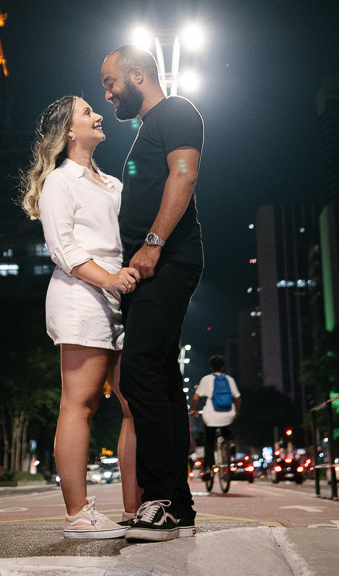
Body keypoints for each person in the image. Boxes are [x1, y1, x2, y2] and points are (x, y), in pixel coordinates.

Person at [21, 94, 142, 539]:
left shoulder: (111, 183)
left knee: (135, 402)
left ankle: (137, 509)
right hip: (81, 295)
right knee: (80, 403)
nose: (97, 115)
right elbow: (64, 248)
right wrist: (109, 279)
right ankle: (77, 515)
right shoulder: (60, 182)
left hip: (117, 298)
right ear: (70, 131)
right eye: (87, 112)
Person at [101, 45, 204, 542]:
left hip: (165, 261)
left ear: (137, 74)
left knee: (138, 371)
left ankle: (159, 498)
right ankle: (177, 504)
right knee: (161, 379)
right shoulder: (147, 127)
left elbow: (183, 176)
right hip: (151, 266)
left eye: (111, 81)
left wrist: (153, 245)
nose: (107, 93)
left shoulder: (177, 111)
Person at [190, 355, 241, 475]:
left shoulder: (206, 379)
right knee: (226, 429)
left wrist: (195, 410)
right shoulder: (229, 379)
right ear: (223, 367)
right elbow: (238, 398)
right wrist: (237, 412)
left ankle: (208, 468)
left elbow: (195, 398)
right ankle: (231, 443)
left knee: (209, 440)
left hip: (211, 416)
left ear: (210, 367)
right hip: (228, 414)